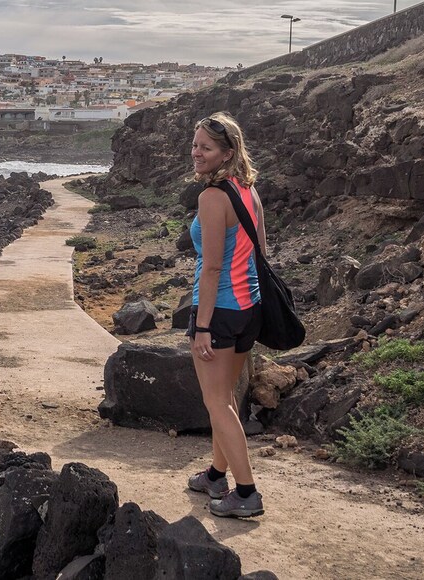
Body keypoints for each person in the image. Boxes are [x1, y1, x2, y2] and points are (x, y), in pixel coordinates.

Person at [184, 111, 266, 518]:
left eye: (206, 148)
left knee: (217, 402)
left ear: (227, 153)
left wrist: (201, 326)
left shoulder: (213, 197)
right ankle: (217, 475)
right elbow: (261, 253)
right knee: (226, 400)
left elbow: (213, 267)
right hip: (248, 307)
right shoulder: (248, 190)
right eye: (196, 144)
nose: (196, 152)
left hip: (219, 310)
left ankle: (247, 493)